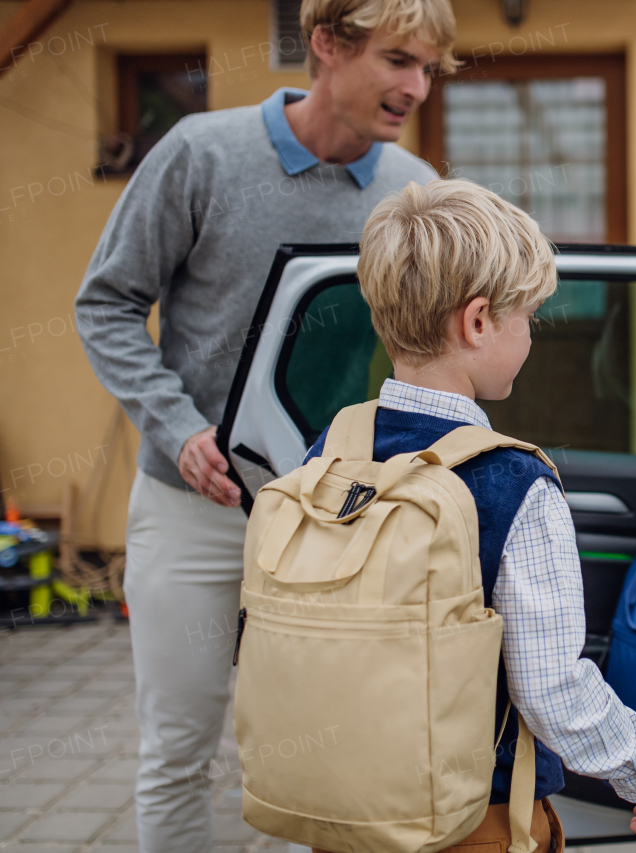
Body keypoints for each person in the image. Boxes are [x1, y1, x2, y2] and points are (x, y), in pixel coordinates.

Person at [73, 0, 455, 848]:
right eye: (398, 59)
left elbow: (425, 345)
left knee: (309, 749)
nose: (416, 86)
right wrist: (178, 428)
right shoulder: (200, 154)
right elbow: (106, 304)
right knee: (178, 748)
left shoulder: (412, 189)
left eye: (429, 67)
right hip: (193, 506)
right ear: (326, 44)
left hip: (333, 511)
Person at [302, 179, 636, 853]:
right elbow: (549, 688)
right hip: (470, 819)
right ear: (478, 322)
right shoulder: (512, 483)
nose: (531, 334)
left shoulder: (332, 450)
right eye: (528, 315)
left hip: (343, 802)